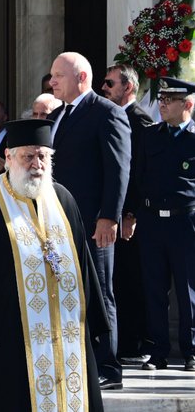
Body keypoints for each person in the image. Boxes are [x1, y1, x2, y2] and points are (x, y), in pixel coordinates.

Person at [0, 118, 106, 411]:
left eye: (43, 156)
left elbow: (84, 265)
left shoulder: (63, 200)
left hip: (63, 334)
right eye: (28, 156)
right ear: (8, 159)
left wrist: (89, 320)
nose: (36, 164)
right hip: (6, 338)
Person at [47, 52, 131, 389]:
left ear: (81, 77)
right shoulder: (60, 115)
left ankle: (108, 368)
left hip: (93, 224)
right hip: (60, 224)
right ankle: (75, 361)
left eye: (58, 76)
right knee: (68, 292)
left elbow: (118, 169)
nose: (51, 81)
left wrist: (109, 217)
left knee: (100, 293)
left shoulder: (106, 112)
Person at [125, 78, 195, 372]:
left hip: (186, 222)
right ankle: (158, 351)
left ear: (187, 104)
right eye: (162, 98)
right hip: (153, 221)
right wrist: (131, 213)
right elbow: (137, 177)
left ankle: (190, 352)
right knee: (154, 288)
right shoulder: (151, 136)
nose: (162, 104)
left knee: (188, 289)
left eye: (170, 99)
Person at [103, 63, 153, 362]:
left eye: (110, 84)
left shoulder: (139, 120)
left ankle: (136, 342)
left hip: (131, 218)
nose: (104, 89)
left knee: (133, 279)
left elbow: (140, 171)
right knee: (118, 278)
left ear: (128, 87)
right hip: (115, 214)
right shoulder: (113, 115)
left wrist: (131, 213)